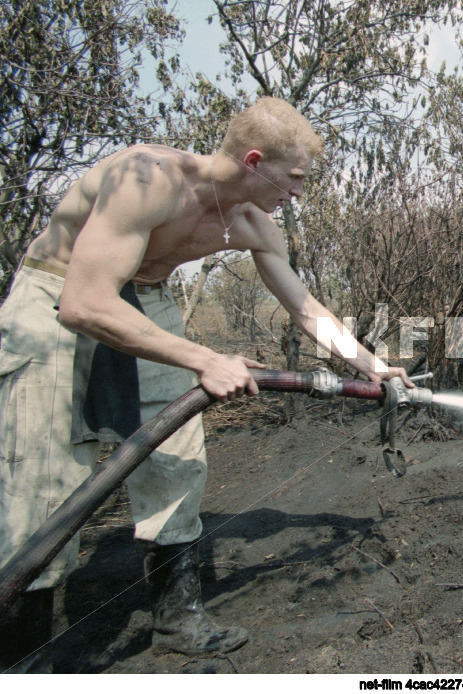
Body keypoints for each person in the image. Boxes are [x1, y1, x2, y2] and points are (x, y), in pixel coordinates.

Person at [0, 97, 412, 670]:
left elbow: (305, 307)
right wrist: (204, 359)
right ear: (252, 160)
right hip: (58, 295)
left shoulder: (251, 223)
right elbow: (84, 303)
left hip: (148, 299)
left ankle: (178, 619)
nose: (300, 192)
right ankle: (24, 660)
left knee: (178, 456)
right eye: (293, 177)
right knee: (42, 481)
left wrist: (370, 364)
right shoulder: (145, 179)